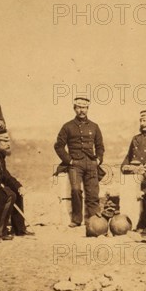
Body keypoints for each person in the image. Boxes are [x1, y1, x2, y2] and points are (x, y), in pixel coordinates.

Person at [54, 97, 105, 227]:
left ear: (88, 109)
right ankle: (77, 220)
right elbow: (58, 146)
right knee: (76, 189)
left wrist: (98, 160)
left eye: (84, 107)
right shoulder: (67, 127)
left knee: (93, 192)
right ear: (74, 108)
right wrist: (69, 160)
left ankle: (93, 220)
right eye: (79, 107)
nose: (82, 110)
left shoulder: (94, 126)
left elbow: (100, 146)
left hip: (91, 163)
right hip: (75, 164)